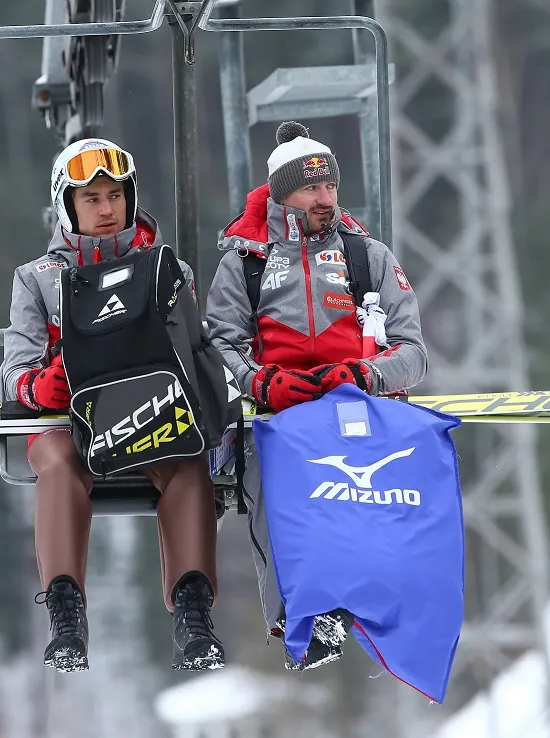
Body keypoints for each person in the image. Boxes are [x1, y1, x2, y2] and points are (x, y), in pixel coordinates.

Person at [205, 121, 429, 670]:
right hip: (274, 413)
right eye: (310, 189)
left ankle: (369, 603)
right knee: (272, 490)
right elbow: (215, 348)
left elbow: (415, 354)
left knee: (369, 490)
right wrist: (260, 381)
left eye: (330, 186)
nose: (324, 198)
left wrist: (363, 375)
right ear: (282, 195)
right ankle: (299, 618)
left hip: (353, 406)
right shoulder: (245, 262)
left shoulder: (366, 255)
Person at [0, 138, 224, 673]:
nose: (106, 210)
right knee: (56, 463)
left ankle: (193, 612)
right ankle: (65, 612)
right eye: (92, 199)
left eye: (115, 197)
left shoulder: (168, 271)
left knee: (189, 460)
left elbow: (201, 349)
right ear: (68, 208)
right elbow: (15, 370)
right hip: (71, 425)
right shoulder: (36, 280)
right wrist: (38, 387)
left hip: (149, 416)